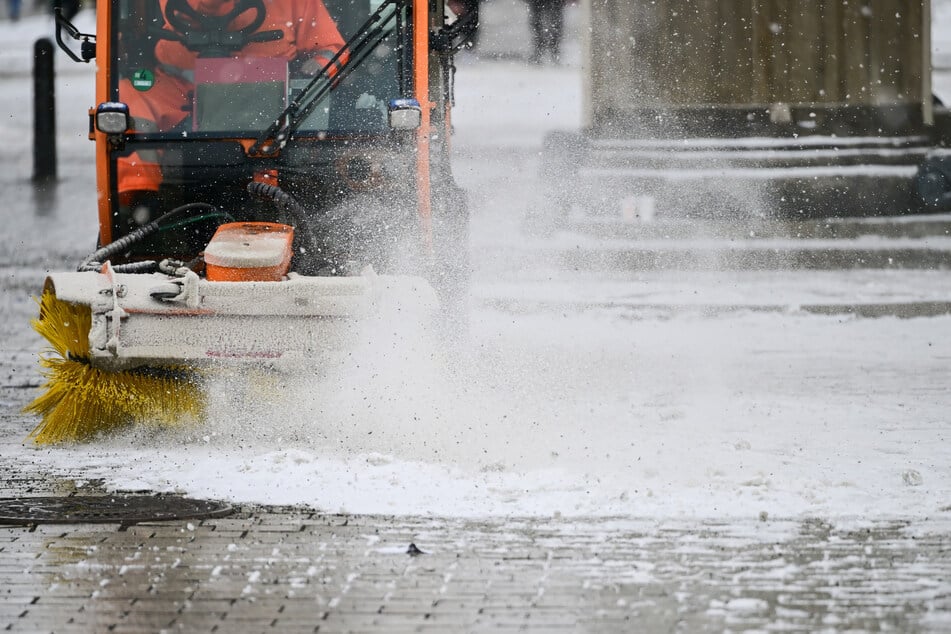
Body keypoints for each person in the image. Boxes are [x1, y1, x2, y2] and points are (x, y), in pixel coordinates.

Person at [118, 0, 346, 207]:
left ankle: (268, 202)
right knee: (127, 101)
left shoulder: (296, 4)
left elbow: (333, 49)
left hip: (273, 97)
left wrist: (314, 71)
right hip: (182, 93)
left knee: (275, 131)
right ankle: (139, 198)